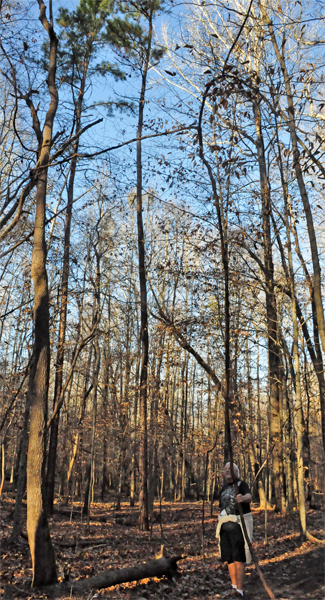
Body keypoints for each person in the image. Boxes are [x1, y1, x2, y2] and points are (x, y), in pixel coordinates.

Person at [215, 462, 253, 598]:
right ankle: (234, 587)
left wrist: (242, 498)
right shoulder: (224, 488)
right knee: (229, 557)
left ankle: (240, 590)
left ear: (236, 472)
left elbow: (249, 497)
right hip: (225, 527)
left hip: (238, 525)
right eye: (225, 469)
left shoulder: (241, 485)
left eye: (229, 469)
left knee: (239, 557)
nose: (227, 471)